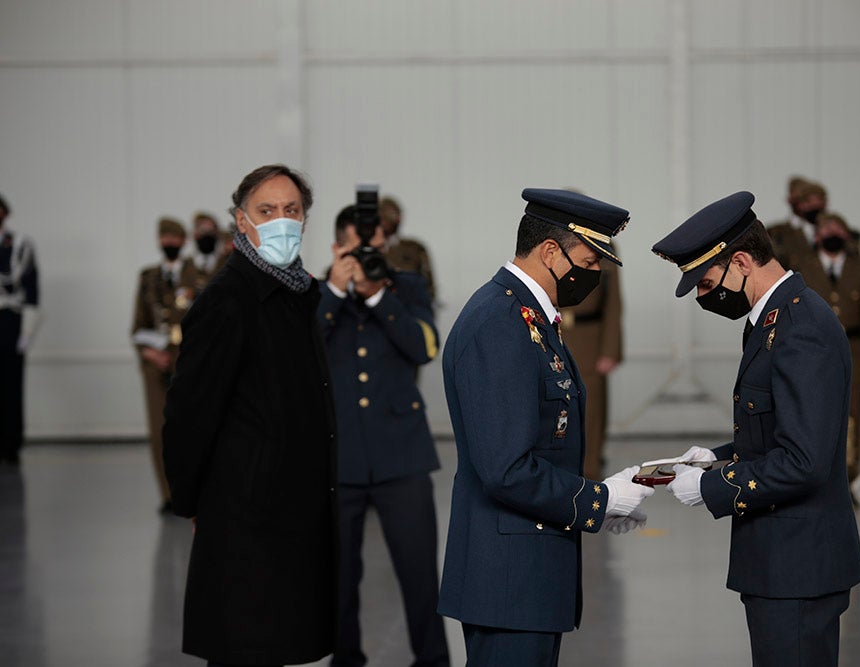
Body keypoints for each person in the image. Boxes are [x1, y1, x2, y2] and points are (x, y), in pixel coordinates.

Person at [438, 188, 654, 667]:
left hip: (528, 574)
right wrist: (599, 500)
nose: (595, 274)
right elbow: (506, 468)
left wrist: (595, 500)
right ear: (551, 252)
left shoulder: (530, 316)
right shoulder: (500, 322)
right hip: (508, 580)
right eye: (589, 260)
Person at [650, 191, 860, 667]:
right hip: (780, 560)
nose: (705, 298)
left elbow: (804, 462)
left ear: (742, 261)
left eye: (706, 284)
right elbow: (782, 430)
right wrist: (717, 456)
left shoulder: (800, 327)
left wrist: (712, 485)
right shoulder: (772, 320)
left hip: (798, 567)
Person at [162, 164, 339, 667]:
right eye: (266, 211)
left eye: (291, 210)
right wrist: (193, 501)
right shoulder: (227, 300)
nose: (281, 220)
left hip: (295, 511)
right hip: (245, 515)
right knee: (246, 644)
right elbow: (189, 414)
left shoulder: (302, 292)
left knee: (277, 644)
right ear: (242, 221)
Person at [318, 205, 449, 667]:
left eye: (374, 248)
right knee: (337, 576)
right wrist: (335, 290)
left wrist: (378, 297)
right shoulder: (314, 293)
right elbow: (298, 353)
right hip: (337, 458)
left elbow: (425, 347)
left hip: (402, 457)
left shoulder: (407, 287)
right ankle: (345, 659)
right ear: (337, 248)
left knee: (419, 575)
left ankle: (432, 660)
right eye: (357, 248)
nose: (367, 256)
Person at [130, 217, 198, 513]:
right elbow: (138, 324)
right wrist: (149, 352)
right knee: (160, 432)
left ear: (183, 241)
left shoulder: (198, 275)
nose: (168, 243)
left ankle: (194, 490)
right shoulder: (148, 277)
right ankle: (168, 495)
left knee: (193, 429)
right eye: (164, 238)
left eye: (174, 238)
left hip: (190, 364)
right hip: (156, 365)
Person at [812, 212, 860, 483]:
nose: (832, 235)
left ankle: (848, 475)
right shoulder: (804, 267)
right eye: (826, 229)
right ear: (817, 236)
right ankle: (818, 474)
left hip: (854, 350)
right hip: (815, 352)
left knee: (851, 414)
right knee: (815, 413)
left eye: (837, 229)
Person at [559, 242, 623, 480]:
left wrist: (610, 349)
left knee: (589, 414)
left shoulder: (601, 244)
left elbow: (612, 300)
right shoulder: (553, 238)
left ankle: (589, 474)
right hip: (553, 330)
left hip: (588, 340)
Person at [0, 194, 41, 466]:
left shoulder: (20, 244)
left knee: (11, 383)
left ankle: (11, 443)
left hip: (9, 318)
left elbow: (29, 286)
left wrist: (27, 332)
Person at [379, 196, 436, 301]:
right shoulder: (364, 249)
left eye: (389, 215)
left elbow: (429, 287)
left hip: (410, 308)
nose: (385, 222)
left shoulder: (414, 248)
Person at [766, 178, 827, 272]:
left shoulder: (836, 233)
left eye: (818, 201)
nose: (814, 206)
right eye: (809, 201)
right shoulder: (777, 233)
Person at [190, 211, 225, 292]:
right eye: (202, 231)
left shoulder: (227, 263)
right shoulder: (185, 265)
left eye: (210, 231)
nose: (206, 235)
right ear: (194, 234)